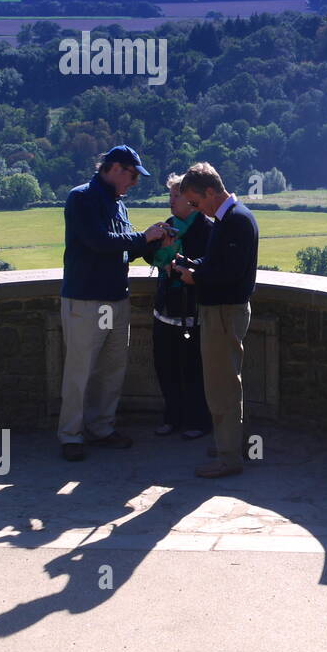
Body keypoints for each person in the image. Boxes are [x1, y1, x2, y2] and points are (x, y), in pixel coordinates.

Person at [59, 145, 168, 461]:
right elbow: (98, 242)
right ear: (116, 168)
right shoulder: (81, 198)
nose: (134, 183)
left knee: (111, 368)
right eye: (132, 176)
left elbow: (121, 251)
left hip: (114, 299)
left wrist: (155, 241)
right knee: (80, 371)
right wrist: (142, 238)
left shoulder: (118, 205)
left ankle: (102, 428)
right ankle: (71, 435)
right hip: (86, 298)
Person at [172, 162, 259, 479]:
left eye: (195, 202)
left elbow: (229, 274)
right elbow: (218, 263)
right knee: (226, 380)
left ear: (210, 192)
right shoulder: (230, 219)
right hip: (223, 310)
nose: (195, 210)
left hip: (224, 311)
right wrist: (189, 264)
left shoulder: (235, 221)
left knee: (222, 384)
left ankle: (228, 456)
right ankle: (233, 444)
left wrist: (196, 278)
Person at [142, 173, 215, 440]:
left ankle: (198, 420)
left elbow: (209, 263)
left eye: (175, 196)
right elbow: (148, 256)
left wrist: (180, 263)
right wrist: (154, 242)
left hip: (192, 310)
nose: (170, 201)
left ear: (190, 199)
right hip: (166, 308)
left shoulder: (207, 228)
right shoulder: (169, 224)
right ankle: (172, 417)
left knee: (193, 368)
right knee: (165, 365)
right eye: (170, 196)